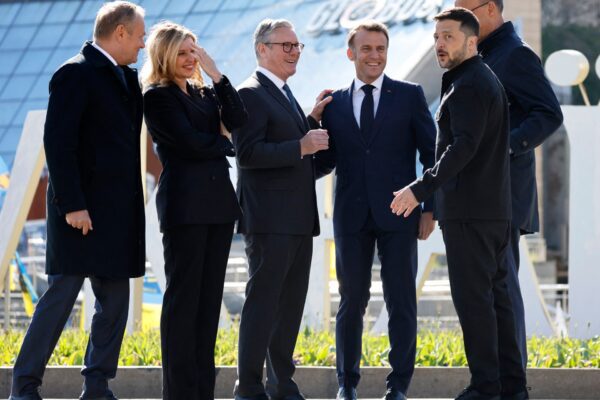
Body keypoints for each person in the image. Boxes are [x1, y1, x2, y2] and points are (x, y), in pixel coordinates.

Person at [8, 2, 146, 400]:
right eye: (139, 36)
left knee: (114, 304)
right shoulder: (74, 73)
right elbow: (59, 143)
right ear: (120, 32)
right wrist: (72, 204)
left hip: (117, 218)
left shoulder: (127, 78)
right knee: (60, 299)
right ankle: (24, 387)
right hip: (79, 216)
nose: (142, 44)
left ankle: (97, 386)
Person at [390, 8, 527, 400]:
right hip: (491, 213)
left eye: (448, 37)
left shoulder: (469, 84)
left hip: (471, 214)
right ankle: (511, 389)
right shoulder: (479, 79)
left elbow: (462, 147)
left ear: (471, 41)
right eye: (437, 37)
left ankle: (485, 387)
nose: (439, 44)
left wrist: (419, 189)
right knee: (496, 303)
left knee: (475, 304)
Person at [313, 20, 436, 400]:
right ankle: (346, 384)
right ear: (351, 53)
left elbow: (430, 154)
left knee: (401, 300)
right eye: (366, 48)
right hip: (351, 216)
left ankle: (398, 386)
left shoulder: (410, 95)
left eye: (381, 48)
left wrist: (429, 207)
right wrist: (309, 124)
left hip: (400, 212)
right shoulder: (333, 103)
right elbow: (324, 162)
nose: (374, 55)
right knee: (352, 301)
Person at [455, 0, 564, 371]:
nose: (459, 19)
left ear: (490, 9)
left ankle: (511, 385)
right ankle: (491, 383)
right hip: (477, 198)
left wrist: (502, 147)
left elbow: (548, 113)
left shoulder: (515, 54)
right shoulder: (478, 56)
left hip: (501, 198)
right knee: (484, 296)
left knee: (500, 294)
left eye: (465, 11)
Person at [141, 22, 248, 400]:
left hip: (218, 207)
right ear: (164, 55)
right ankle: (180, 392)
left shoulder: (204, 91)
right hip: (185, 208)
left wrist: (217, 74)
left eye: (193, 52)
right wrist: (222, 142)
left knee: (208, 305)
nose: (190, 59)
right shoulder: (157, 97)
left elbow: (238, 120)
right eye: (182, 53)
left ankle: (203, 391)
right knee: (183, 304)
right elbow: (188, 144)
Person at [231, 18, 331, 400]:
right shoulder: (250, 93)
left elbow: (291, 149)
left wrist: (311, 121)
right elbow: (248, 154)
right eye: (285, 45)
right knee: (262, 306)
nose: (294, 52)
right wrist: (302, 145)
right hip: (269, 221)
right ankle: (249, 387)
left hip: (297, 220)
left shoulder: (284, 93)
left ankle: (281, 385)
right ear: (262, 49)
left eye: (296, 45)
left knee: (288, 309)